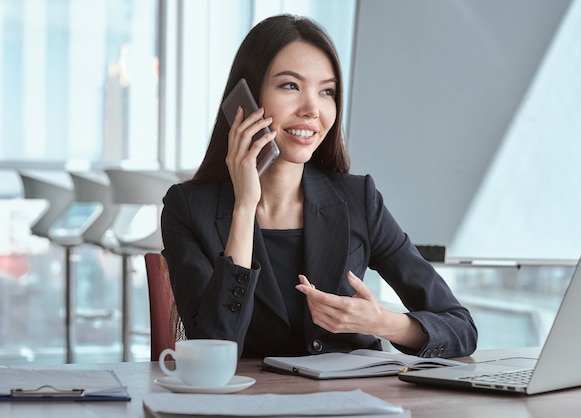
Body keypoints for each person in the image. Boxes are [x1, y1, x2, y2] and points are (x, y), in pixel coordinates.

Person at [161, 14, 477, 359]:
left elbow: (460, 328)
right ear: (245, 100)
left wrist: (380, 322)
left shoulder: (359, 200)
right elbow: (214, 349)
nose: (313, 109)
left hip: (352, 405)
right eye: (290, 86)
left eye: (327, 91)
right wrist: (244, 206)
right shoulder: (189, 209)